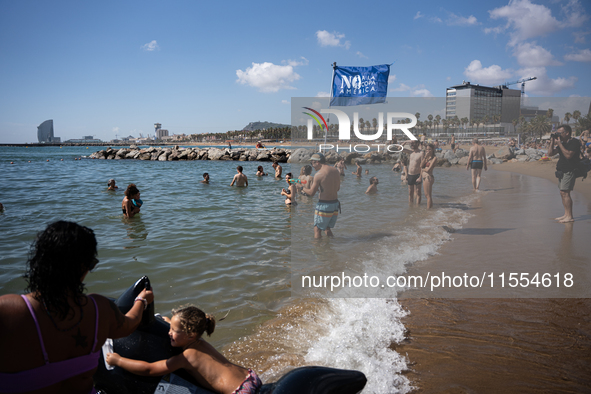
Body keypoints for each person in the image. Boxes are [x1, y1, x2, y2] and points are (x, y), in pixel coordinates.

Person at [0, 220, 154, 394]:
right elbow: (129, 324)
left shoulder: (8, 310)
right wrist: (141, 300)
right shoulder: (99, 310)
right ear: (84, 266)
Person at [106, 305, 261, 394]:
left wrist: (118, 360)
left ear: (190, 335)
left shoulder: (186, 357)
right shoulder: (199, 342)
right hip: (250, 377)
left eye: (174, 330)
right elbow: (178, 329)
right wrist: (168, 322)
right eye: (170, 328)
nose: (169, 332)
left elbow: (150, 369)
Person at [549, 125, 582, 223]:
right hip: (561, 170)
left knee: (565, 193)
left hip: (569, 170)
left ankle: (570, 216)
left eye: (560, 133)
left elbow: (568, 155)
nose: (558, 135)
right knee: (562, 193)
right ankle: (566, 214)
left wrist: (559, 144)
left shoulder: (574, 142)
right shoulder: (562, 143)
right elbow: (550, 154)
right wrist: (552, 142)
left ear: (567, 133)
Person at [303, 153, 341, 238]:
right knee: (327, 228)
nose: (312, 166)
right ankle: (331, 246)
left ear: (317, 162)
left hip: (324, 205)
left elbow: (311, 193)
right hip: (335, 205)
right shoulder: (335, 171)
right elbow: (337, 188)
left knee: (317, 229)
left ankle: (317, 250)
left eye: (312, 163)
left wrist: (302, 188)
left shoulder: (319, 174)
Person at [421, 144, 438, 209]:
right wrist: (425, 157)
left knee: (428, 196)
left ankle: (428, 210)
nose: (428, 151)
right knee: (428, 195)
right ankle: (431, 209)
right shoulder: (426, 158)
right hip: (425, 177)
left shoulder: (434, 158)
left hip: (428, 177)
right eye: (427, 149)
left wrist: (423, 170)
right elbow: (420, 165)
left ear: (433, 149)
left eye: (429, 149)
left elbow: (428, 169)